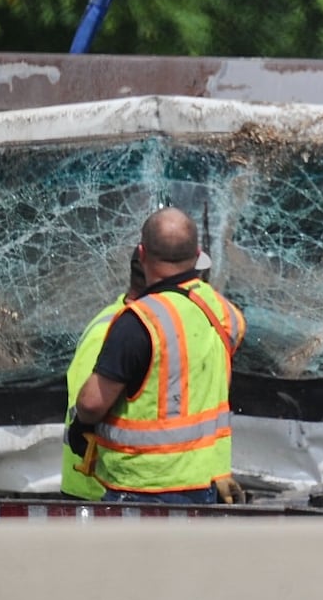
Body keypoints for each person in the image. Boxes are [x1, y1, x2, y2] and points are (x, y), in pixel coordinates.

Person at [69, 207, 246, 504]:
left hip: (143, 487)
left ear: (142, 253)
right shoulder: (224, 312)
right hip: (206, 483)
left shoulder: (137, 321)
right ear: (198, 254)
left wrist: (82, 422)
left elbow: (92, 403)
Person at [60, 247, 148, 500]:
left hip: (106, 489)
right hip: (92, 491)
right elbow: (87, 407)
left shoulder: (137, 327)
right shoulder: (112, 332)